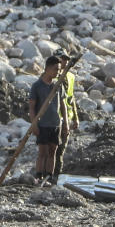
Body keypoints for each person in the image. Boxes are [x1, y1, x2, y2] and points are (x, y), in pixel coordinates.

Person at [29, 55, 69, 186]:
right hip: (43, 124)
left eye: (59, 70)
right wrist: (34, 123)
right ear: (48, 69)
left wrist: (66, 124)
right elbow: (32, 106)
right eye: (56, 69)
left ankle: (49, 177)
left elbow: (63, 105)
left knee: (53, 151)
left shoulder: (58, 85)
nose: (58, 72)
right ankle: (39, 176)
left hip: (55, 123)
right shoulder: (37, 86)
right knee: (43, 152)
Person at [52, 49, 79, 184]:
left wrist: (75, 117)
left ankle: (56, 176)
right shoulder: (52, 77)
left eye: (66, 59)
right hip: (55, 118)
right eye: (62, 59)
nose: (65, 62)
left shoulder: (70, 77)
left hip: (67, 116)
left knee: (61, 150)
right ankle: (49, 175)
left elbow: (71, 97)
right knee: (53, 149)